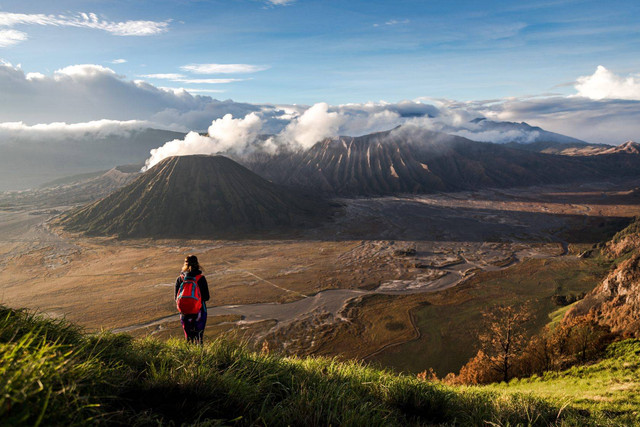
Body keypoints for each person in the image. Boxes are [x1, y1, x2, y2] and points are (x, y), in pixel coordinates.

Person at [175, 255, 210, 344]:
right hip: (200, 312)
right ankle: (199, 356)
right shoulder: (201, 278)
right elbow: (206, 297)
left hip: (184, 313)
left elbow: (176, 298)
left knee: (188, 338)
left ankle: (188, 355)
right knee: (199, 338)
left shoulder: (180, 279)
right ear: (197, 264)